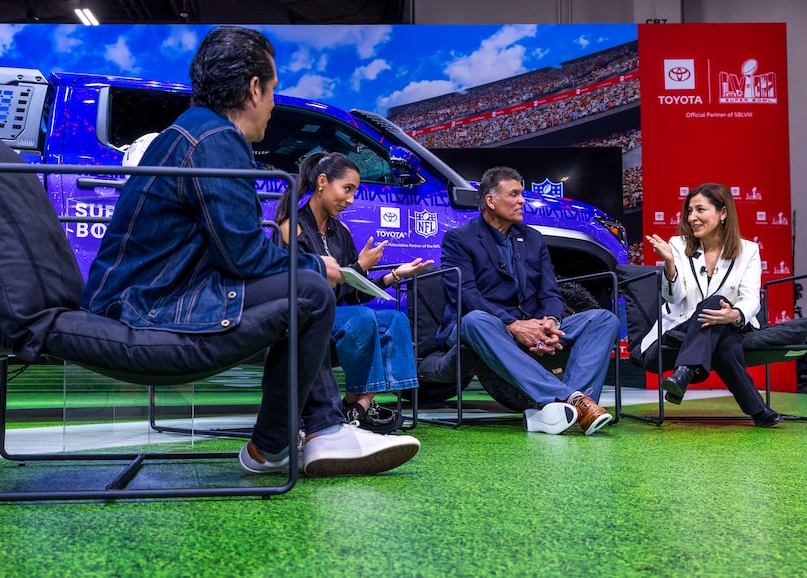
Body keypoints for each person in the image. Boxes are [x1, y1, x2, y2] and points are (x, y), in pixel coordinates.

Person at [81, 26, 420, 476]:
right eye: (274, 89)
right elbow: (242, 257)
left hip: (146, 296)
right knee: (311, 290)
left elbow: (235, 255)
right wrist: (316, 263)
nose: (275, 103)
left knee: (306, 289)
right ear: (254, 88)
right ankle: (283, 441)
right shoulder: (217, 140)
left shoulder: (195, 133)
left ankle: (316, 430)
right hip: (145, 306)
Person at [438, 166, 619, 435]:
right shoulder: (459, 239)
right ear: (491, 200)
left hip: (531, 324)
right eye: (514, 194)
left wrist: (550, 322)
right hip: (485, 327)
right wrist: (514, 325)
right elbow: (467, 297)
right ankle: (573, 401)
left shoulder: (532, 238)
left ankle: (561, 410)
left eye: (521, 193)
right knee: (476, 320)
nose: (522, 200)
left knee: (603, 319)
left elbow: (550, 292)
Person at [274, 151, 433, 432]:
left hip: (339, 316)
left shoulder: (342, 231)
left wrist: (393, 276)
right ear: (322, 182)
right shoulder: (292, 228)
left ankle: (355, 405)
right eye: (347, 189)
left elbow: (352, 293)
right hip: (305, 318)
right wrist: (359, 266)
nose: (350, 200)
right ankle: (354, 408)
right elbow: (304, 293)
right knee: (360, 317)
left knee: (394, 320)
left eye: (354, 191)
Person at [642, 182, 782, 427]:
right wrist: (669, 265)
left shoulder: (748, 250)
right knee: (716, 309)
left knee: (720, 317)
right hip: (684, 327)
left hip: (732, 324)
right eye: (689, 211)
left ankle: (685, 370)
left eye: (700, 210)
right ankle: (758, 410)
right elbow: (674, 298)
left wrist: (735, 314)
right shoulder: (677, 244)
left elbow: (750, 298)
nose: (692, 217)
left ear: (723, 212)